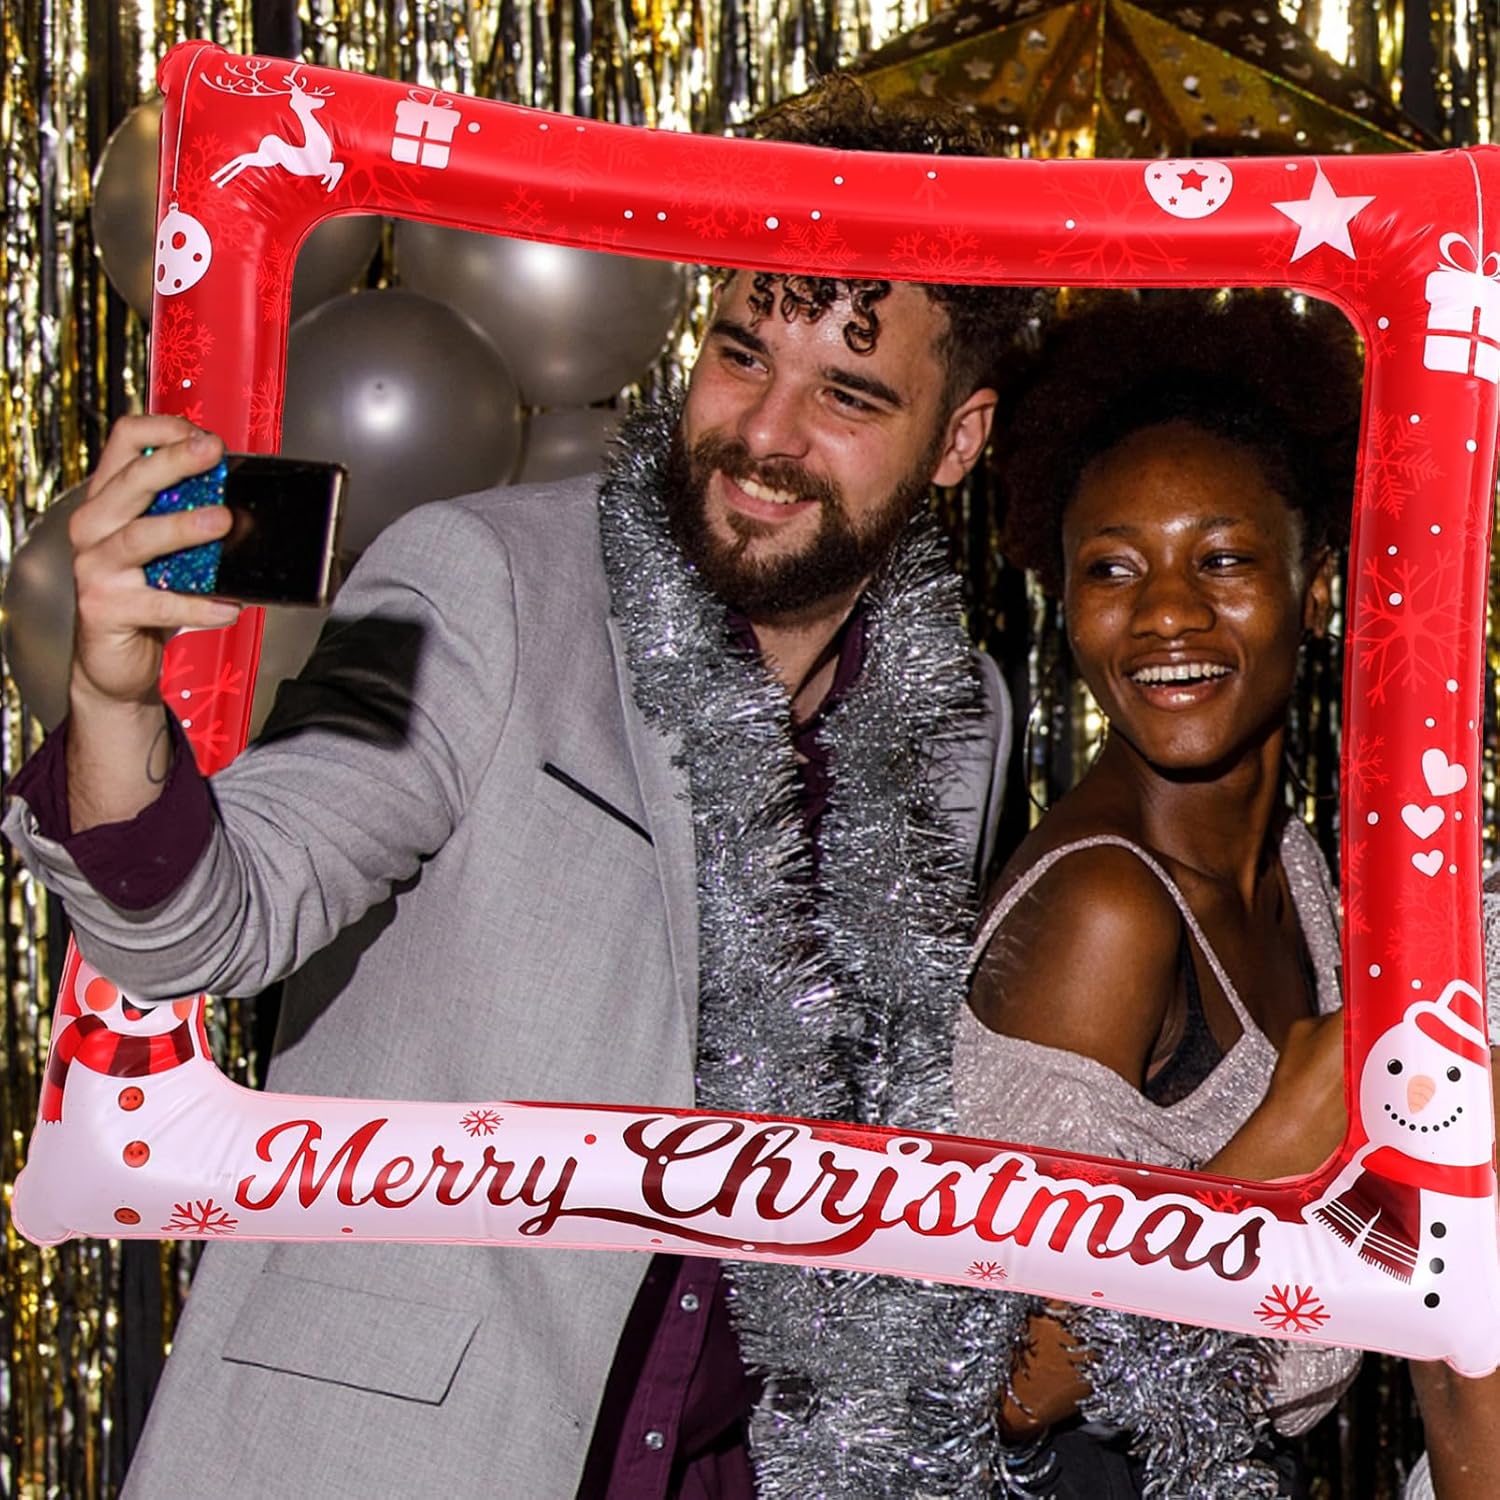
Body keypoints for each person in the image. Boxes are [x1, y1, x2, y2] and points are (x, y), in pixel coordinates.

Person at [2, 80, 1031, 1500]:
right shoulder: (474, 577)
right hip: (394, 1460)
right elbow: (209, 921)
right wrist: (115, 698)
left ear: (959, 440)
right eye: (741, 354)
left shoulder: (962, 719)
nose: (765, 433)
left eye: (848, 395)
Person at [956, 290, 1364, 1496]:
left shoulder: (1294, 871)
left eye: (1223, 559)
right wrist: (1269, 1162)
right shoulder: (1106, 909)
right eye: (1112, 569)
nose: (1167, 613)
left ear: (1318, 588)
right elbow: (1004, 1377)